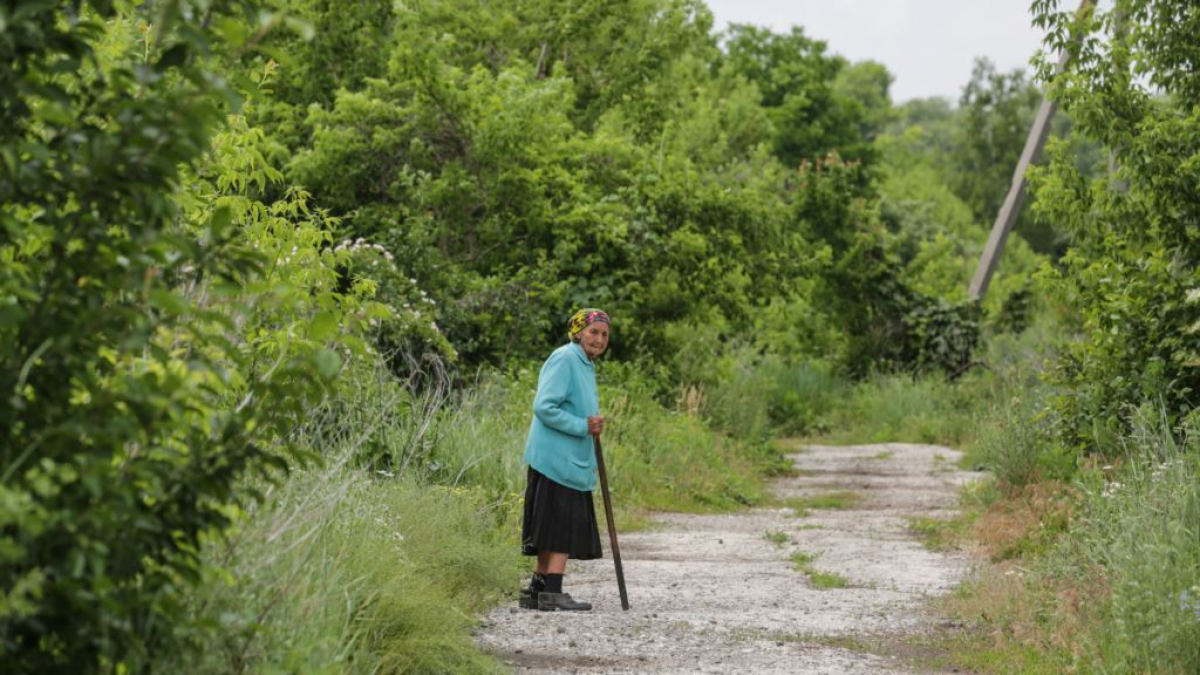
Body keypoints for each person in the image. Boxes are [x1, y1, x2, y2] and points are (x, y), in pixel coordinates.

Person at [518, 308, 610, 611]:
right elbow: (544, 406)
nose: (599, 339)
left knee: (550, 524)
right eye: (593, 331)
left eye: (604, 334)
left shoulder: (583, 363)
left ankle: (538, 588)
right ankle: (553, 591)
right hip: (556, 459)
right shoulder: (565, 358)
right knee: (561, 524)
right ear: (578, 331)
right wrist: (583, 425)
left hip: (567, 459)